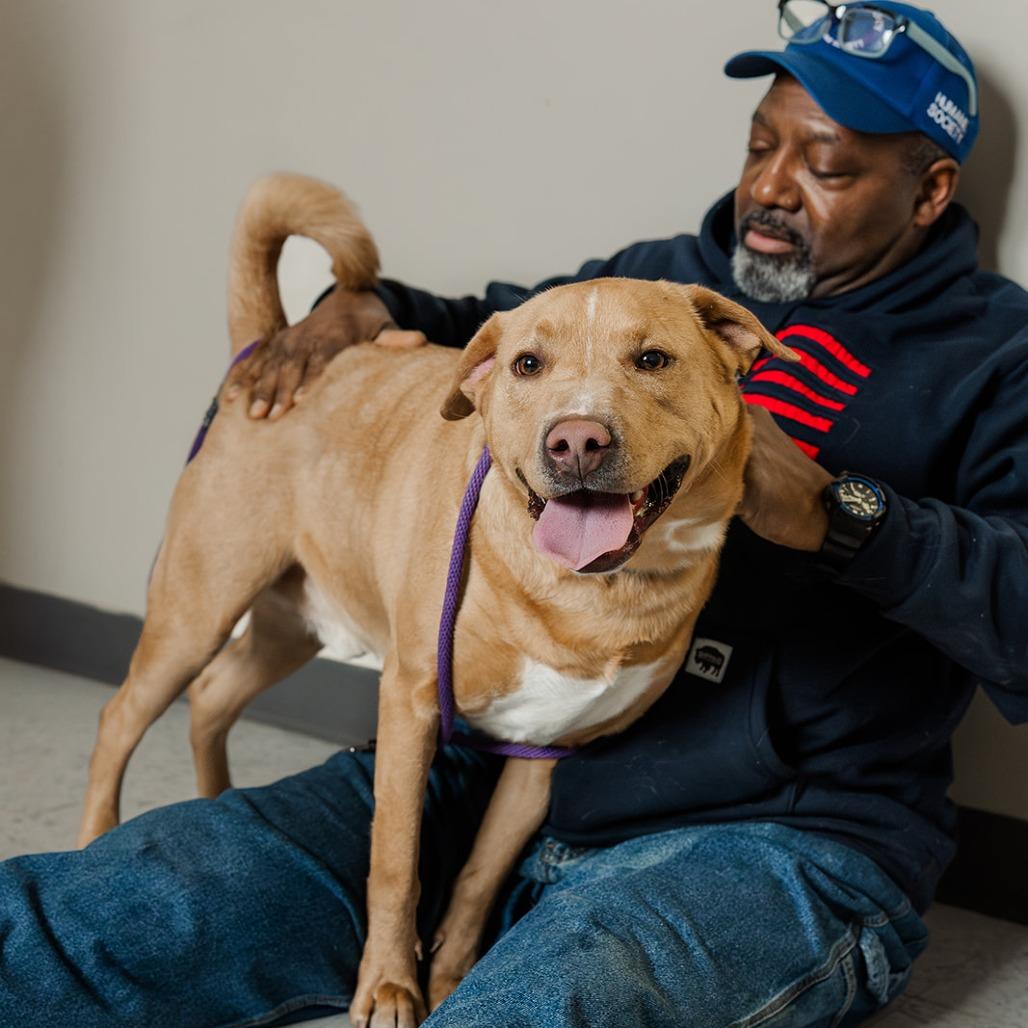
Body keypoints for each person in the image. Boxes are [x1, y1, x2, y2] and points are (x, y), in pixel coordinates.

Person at [2, 2, 1025, 1026]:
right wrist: (371, 309)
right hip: (492, 765)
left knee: (533, 1009)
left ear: (928, 188)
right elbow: (499, 325)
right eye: (759, 144)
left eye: (824, 165)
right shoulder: (659, 277)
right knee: (98, 913)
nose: (765, 185)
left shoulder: (994, 359)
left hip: (774, 833)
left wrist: (844, 517)